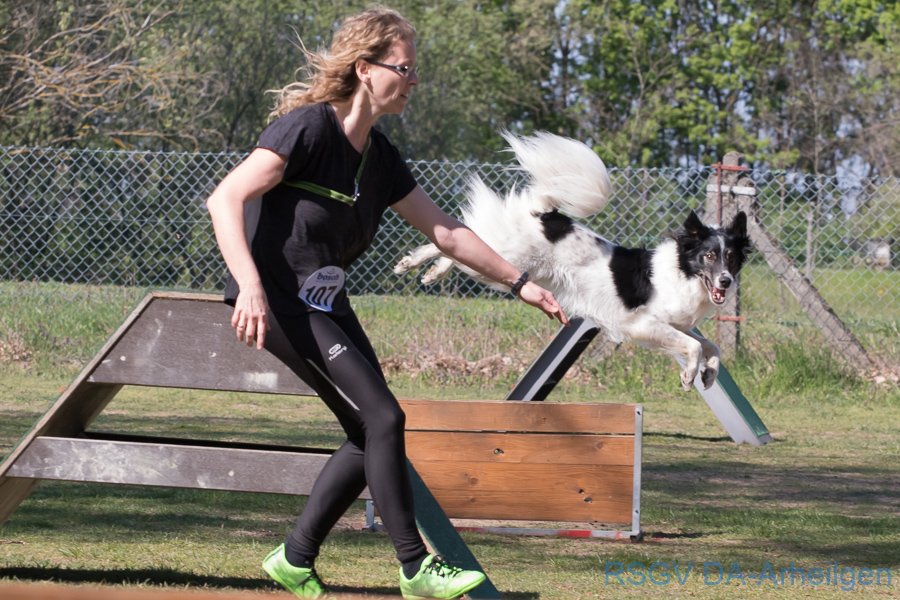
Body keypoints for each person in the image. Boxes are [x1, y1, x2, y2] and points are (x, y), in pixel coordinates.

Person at [206, 7, 568, 599]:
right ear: (365, 69)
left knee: (366, 428)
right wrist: (248, 285)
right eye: (405, 68)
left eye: (414, 69)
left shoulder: (380, 158)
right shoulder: (307, 129)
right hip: (278, 298)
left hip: (323, 300)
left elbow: (445, 233)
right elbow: (226, 198)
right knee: (384, 418)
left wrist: (519, 282)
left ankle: (293, 559)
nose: (413, 80)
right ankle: (415, 566)